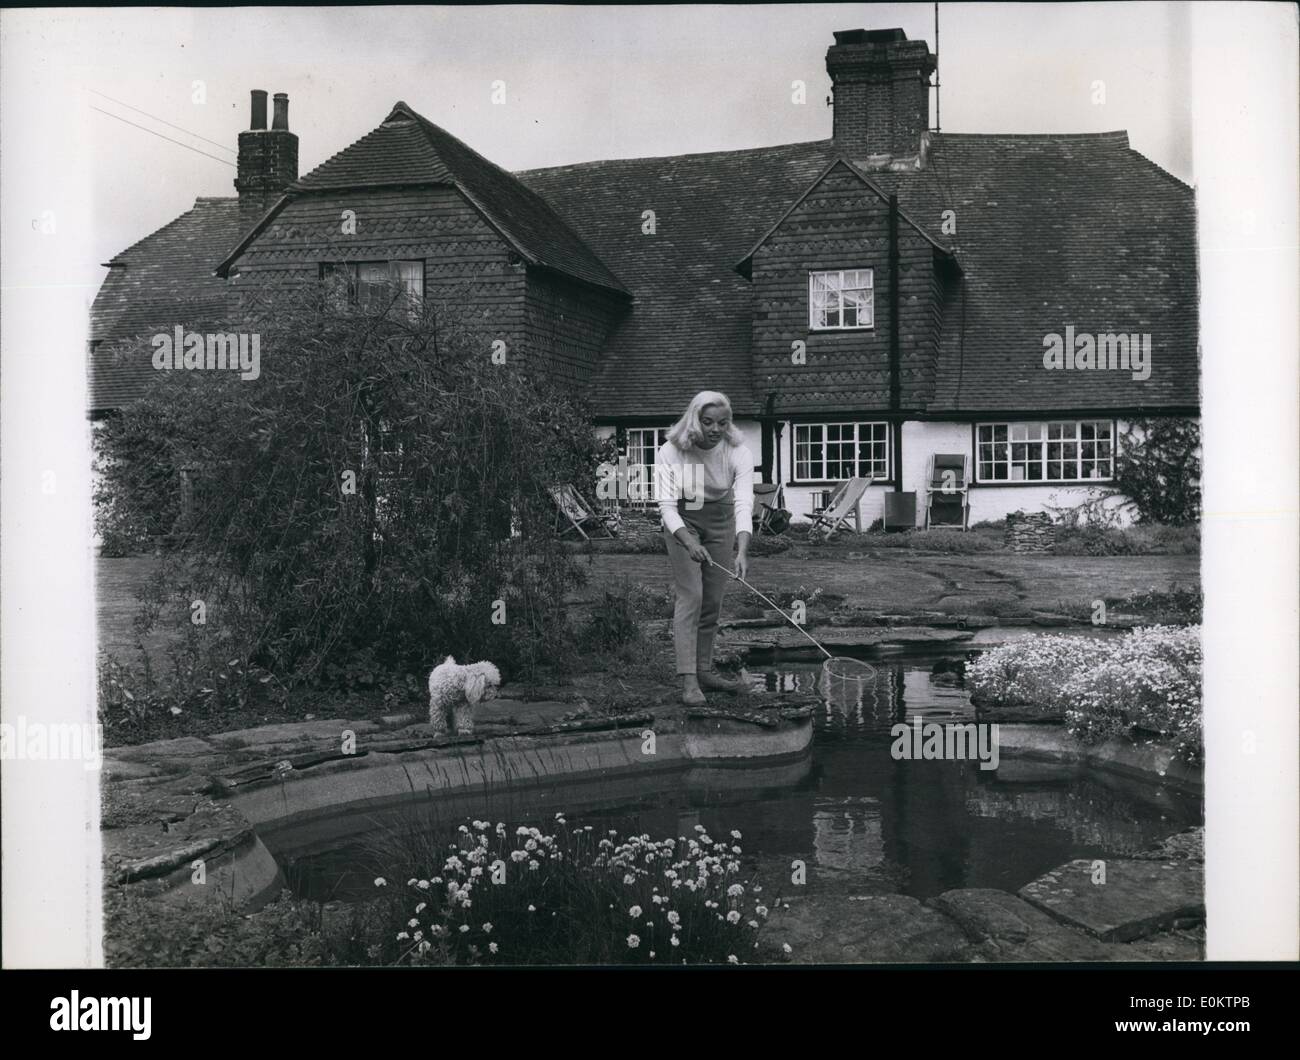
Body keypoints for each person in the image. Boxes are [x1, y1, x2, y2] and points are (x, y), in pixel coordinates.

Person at [655, 390, 754, 705]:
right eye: (708, 421)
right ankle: (688, 681)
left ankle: (705, 670)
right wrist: (689, 541)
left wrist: (742, 549)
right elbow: (667, 507)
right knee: (692, 596)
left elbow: (743, 501)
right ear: (694, 419)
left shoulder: (738, 451)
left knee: (712, 600)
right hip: (683, 522)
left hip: (721, 521)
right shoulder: (671, 451)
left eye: (722, 423)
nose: (715, 429)